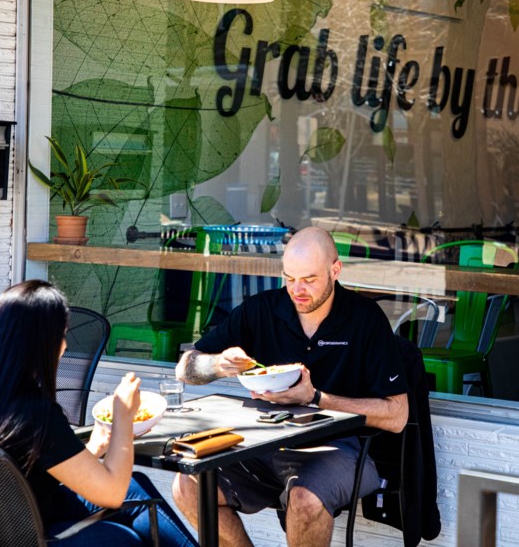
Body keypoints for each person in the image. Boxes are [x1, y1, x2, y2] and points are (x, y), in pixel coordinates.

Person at [172, 227, 408, 547]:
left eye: (309, 279)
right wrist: (216, 365)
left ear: (335, 271)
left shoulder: (365, 319)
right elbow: (185, 368)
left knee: (305, 499)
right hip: (264, 445)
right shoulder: (262, 310)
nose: (297, 290)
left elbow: (397, 415)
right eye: (289, 278)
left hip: (341, 448)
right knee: (188, 486)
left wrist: (316, 398)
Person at [0, 280, 197, 547]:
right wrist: (123, 414)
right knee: (125, 536)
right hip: (26, 536)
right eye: (61, 336)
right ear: (43, 341)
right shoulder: (36, 414)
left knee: (137, 488)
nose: (64, 346)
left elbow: (30, 469)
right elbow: (111, 493)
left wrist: (95, 448)